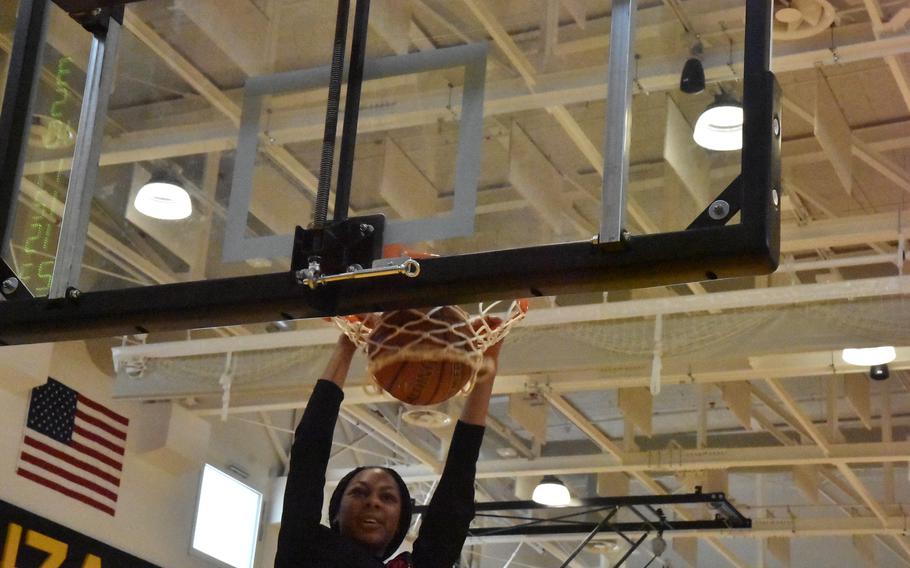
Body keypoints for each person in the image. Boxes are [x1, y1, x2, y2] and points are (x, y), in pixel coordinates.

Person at [275, 326, 504, 568]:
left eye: (387, 497)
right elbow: (309, 453)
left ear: (399, 525)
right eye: (359, 492)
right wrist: (346, 345)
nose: (373, 502)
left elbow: (456, 490)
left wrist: (489, 359)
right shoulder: (304, 548)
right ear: (336, 513)